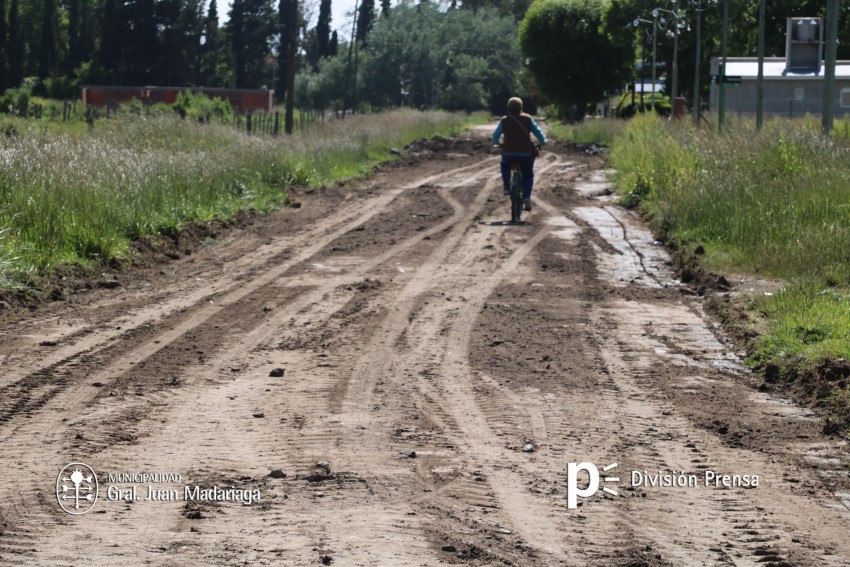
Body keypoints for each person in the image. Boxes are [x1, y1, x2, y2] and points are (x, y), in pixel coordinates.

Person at [491, 97, 547, 211]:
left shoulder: (504, 120)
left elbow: (495, 136)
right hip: (525, 153)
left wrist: (498, 143)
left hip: (508, 152)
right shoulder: (528, 119)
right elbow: (539, 133)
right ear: (521, 107)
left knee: (505, 165)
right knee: (528, 175)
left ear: (508, 108)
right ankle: (526, 198)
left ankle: (506, 187)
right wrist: (542, 142)